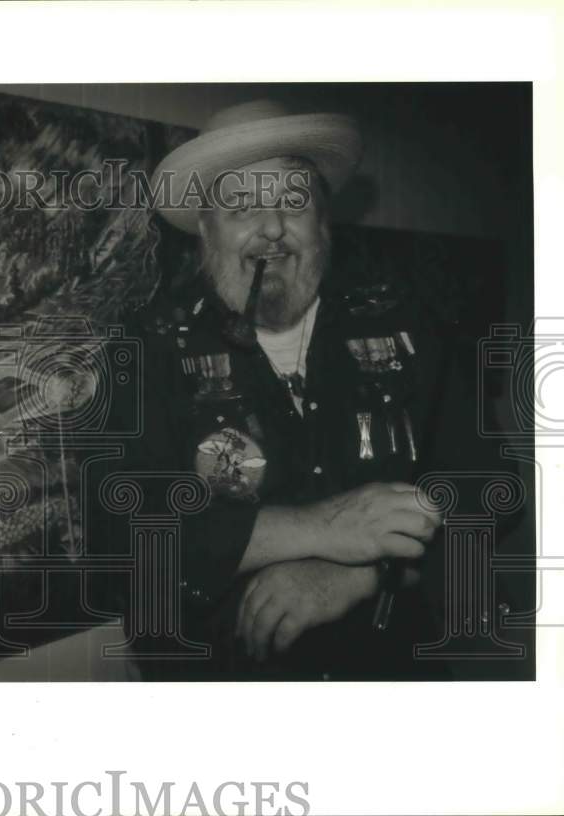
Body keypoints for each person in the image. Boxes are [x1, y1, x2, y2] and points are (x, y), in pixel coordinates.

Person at [87, 100, 517, 680]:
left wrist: (367, 573)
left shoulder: (411, 327)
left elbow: (491, 492)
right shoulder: (144, 353)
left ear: (324, 222)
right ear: (206, 231)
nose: (271, 227)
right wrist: (325, 527)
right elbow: (124, 540)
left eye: (293, 201)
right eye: (240, 206)